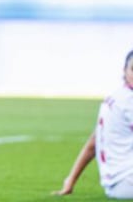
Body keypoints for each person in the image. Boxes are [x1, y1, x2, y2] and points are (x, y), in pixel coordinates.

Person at [52, 50, 133, 199]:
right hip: (127, 181)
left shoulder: (114, 97)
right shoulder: (128, 102)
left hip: (117, 185)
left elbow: (94, 142)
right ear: (124, 71)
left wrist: (70, 180)